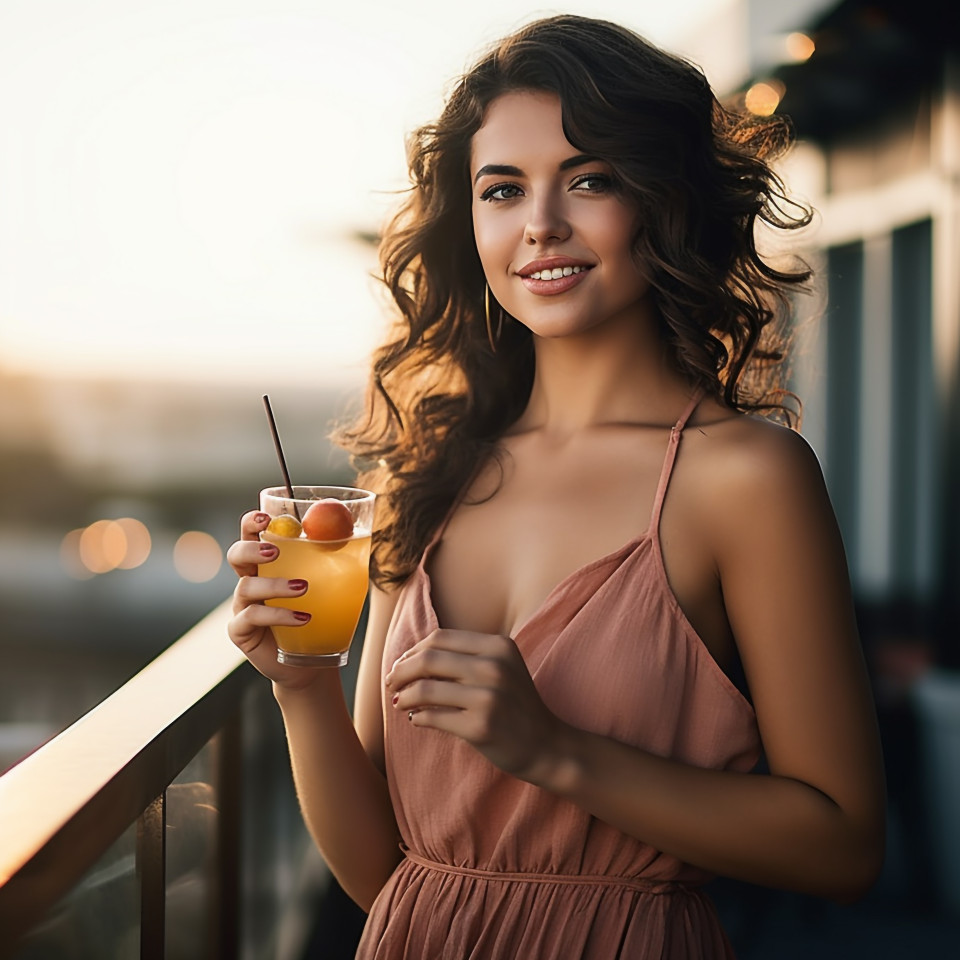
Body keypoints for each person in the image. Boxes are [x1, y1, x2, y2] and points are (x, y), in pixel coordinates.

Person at [227, 14, 886, 959]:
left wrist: (557, 753)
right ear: (474, 222)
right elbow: (387, 876)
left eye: (589, 179)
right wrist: (300, 689)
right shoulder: (426, 473)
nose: (540, 222)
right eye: (503, 189)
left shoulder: (746, 479)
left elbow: (844, 847)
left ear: (665, 203)